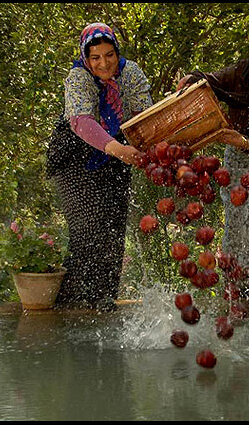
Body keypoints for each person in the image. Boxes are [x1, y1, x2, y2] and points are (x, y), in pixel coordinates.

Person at [177, 39, 249, 303]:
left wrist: (238, 140)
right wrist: (191, 79)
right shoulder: (238, 74)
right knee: (235, 218)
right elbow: (211, 81)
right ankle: (234, 285)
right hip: (238, 156)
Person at [47, 23, 152, 311]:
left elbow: (145, 114)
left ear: (117, 52)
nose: (103, 63)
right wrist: (117, 149)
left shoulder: (131, 74)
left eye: (109, 55)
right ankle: (72, 304)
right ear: (85, 57)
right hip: (75, 155)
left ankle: (103, 301)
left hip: (117, 154)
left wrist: (149, 148)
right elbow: (82, 121)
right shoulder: (77, 78)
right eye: (95, 57)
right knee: (88, 227)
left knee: (114, 228)